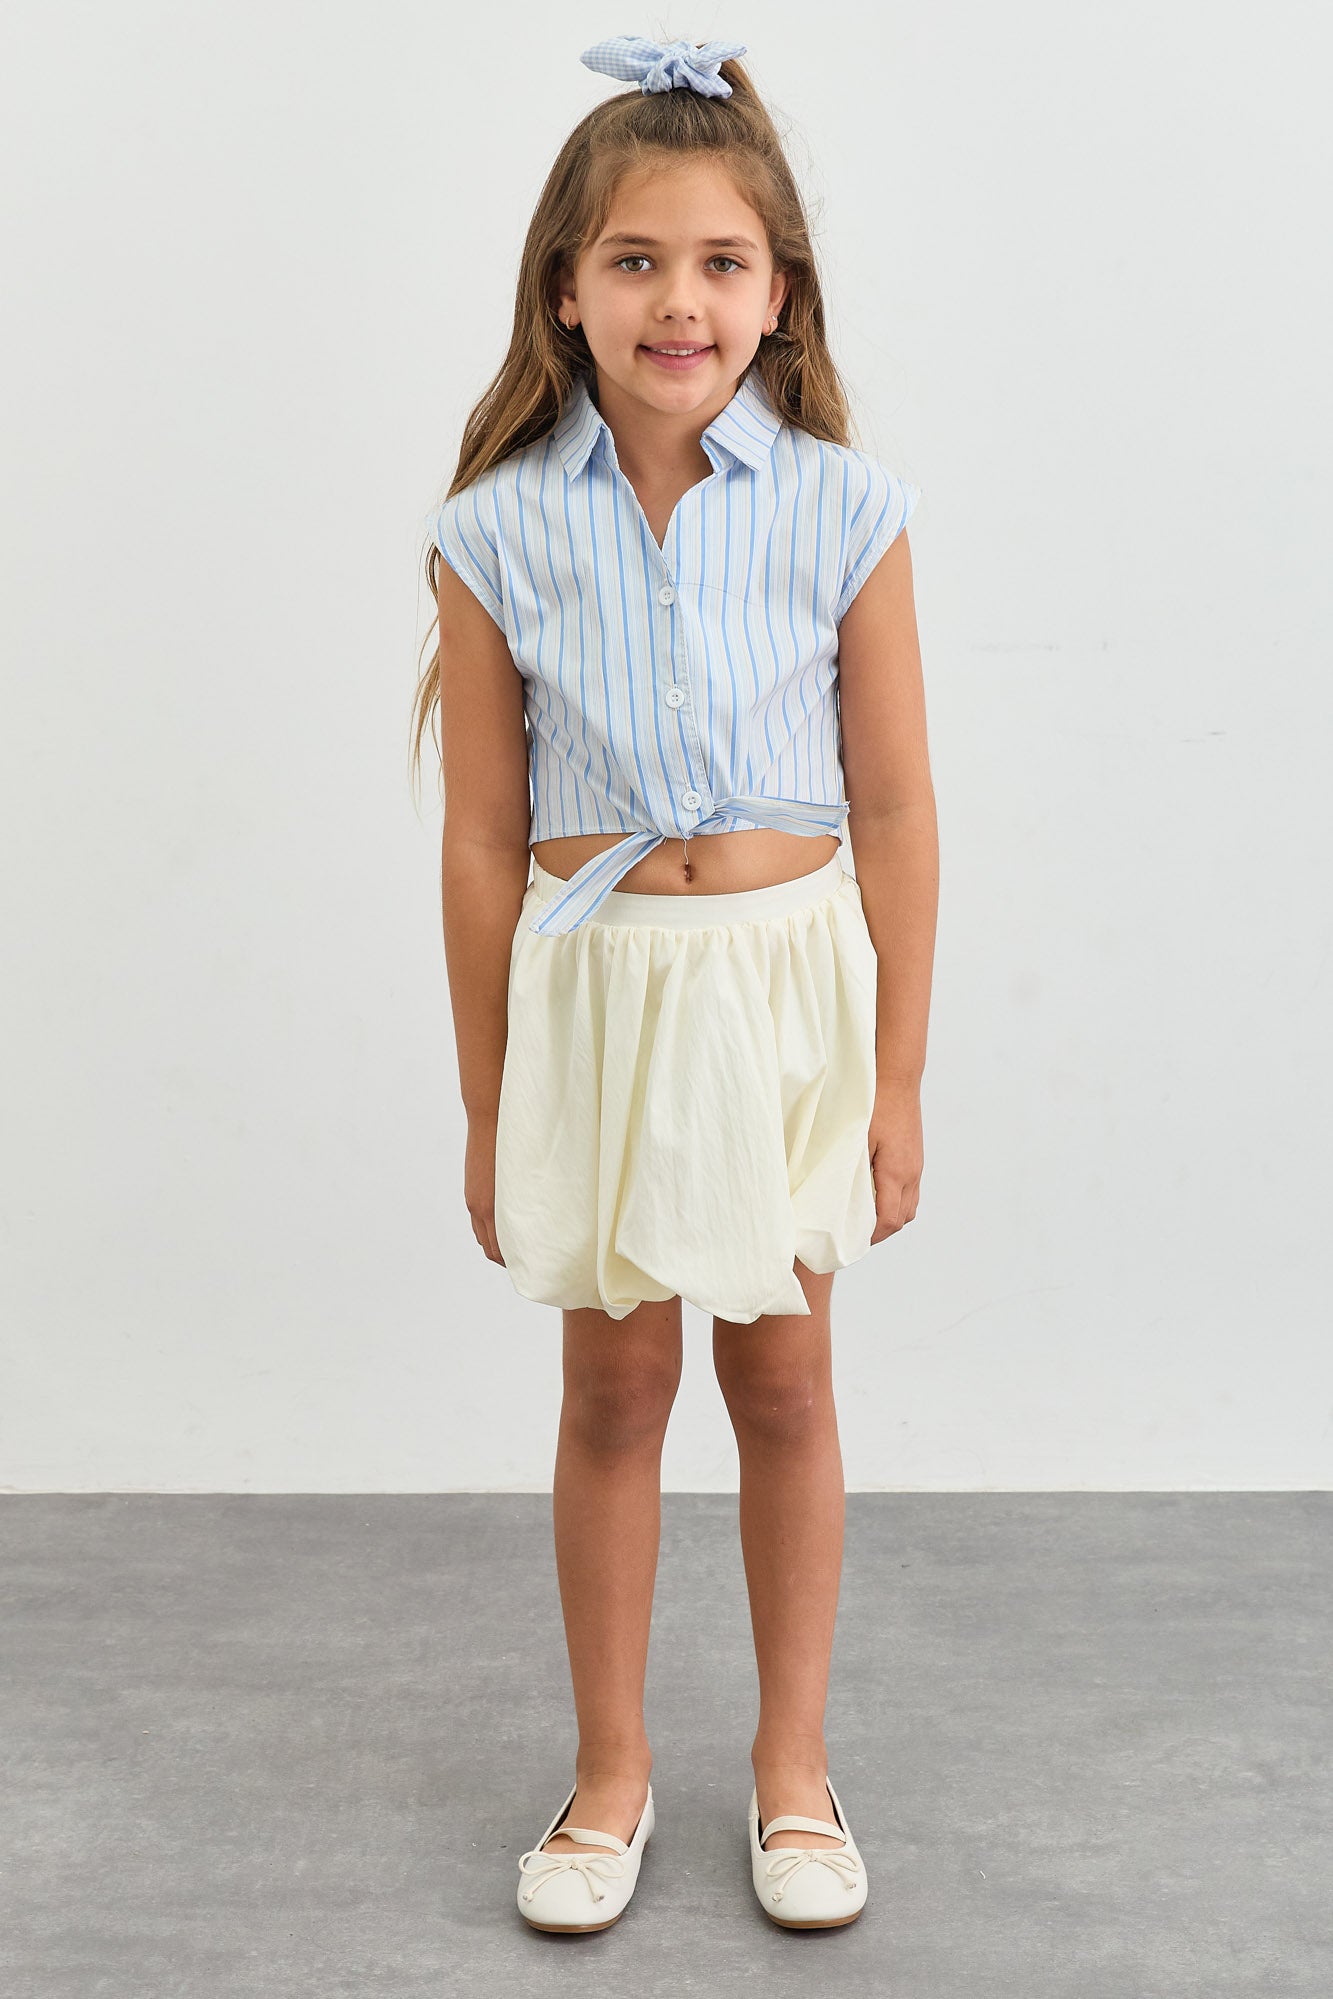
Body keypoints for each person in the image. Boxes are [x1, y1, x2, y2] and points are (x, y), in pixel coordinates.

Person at [411, 32, 937, 1935]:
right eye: (633, 260)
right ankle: (609, 1770)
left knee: (782, 1378)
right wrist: (489, 1104)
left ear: (778, 291)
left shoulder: (841, 507)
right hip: (603, 993)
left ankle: (791, 1765)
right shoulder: (494, 528)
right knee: (614, 1387)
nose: (677, 301)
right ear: (565, 288)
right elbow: (483, 840)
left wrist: (894, 1079)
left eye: (720, 262)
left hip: (780, 992)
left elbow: (895, 803)